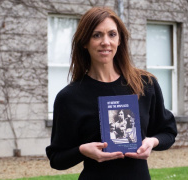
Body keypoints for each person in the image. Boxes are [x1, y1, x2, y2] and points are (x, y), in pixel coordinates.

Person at [46, 6, 177, 180]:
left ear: (120, 39)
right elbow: (56, 158)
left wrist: (152, 142)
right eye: (96, 35)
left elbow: (167, 132)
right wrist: (82, 150)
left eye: (112, 34)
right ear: (85, 42)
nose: (105, 42)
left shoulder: (145, 84)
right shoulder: (69, 97)